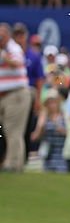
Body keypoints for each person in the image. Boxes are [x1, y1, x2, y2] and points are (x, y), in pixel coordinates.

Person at [0, 22, 33, 171]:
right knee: (8, 131)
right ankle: (12, 162)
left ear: (7, 35)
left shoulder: (13, 48)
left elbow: (16, 63)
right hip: (4, 95)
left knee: (14, 130)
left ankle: (13, 164)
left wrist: (3, 55)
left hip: (16, 94)